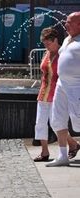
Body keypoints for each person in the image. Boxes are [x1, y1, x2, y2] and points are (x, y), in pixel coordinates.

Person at [33, 27, 80, 162]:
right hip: (43, 92)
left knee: (56, 123)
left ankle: (72, 143)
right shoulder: (46, 53)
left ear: (56, 40)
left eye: (48, 43)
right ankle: (44, 152)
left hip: (57, 93)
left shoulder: (63, 53)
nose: (46, 46)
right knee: (40, 123)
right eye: (44, 43)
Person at [47, 12, 80, 167]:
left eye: (69, 22)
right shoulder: (67, 39)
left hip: (77, 86)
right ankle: (62, 155)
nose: (65, 24)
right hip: (62, 84)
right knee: (57, 119)